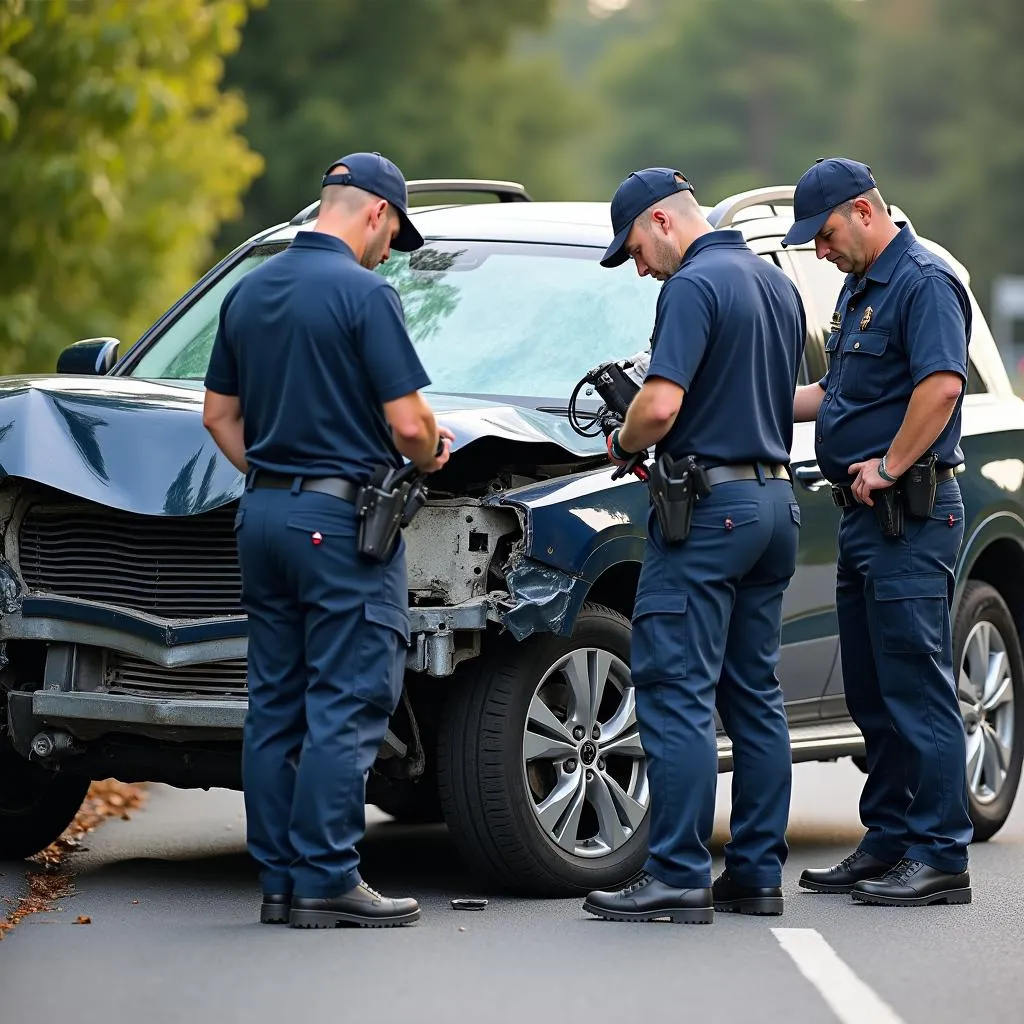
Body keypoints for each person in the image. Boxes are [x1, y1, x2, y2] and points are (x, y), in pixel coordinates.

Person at [202, 151, 453, 928]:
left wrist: (282, 477)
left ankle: (280, 881)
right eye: (393, 236)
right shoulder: (364, 295)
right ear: (375, 212)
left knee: (275, 702)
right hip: (340, 532)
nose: (389, 254)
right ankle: (328, 877)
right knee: (348, 699)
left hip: (264, 518)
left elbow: (217, 416)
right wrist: (430, 452)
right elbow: (410, 424)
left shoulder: (249, 290)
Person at [583, 167, 806, 924]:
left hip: (709, 516)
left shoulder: (691, 288)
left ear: (663, 222)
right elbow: (778, 395)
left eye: (636, 248)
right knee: (755, 695)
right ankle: (755, 875)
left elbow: (663, 403)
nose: (640, 267)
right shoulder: (775, 283)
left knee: (675, 691)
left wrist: (624, 435)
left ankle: (676, 874)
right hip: (776, 501)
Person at [788, 157, 973, 907]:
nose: (821, 251)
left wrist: (891, 466)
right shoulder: (862, 288)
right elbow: (834, 393)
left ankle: (940, 856)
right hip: (866, 521)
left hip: (911, 516)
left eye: (826, 234)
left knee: (914, 686)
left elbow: (942, 385)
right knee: (871, 689)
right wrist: (744, 397)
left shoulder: (923, 282)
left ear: (864, 210)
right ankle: (890, 840)